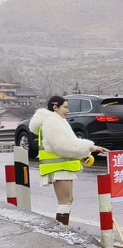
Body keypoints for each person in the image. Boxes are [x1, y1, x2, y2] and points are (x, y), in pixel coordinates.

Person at [28, 96, 109, 225]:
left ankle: (63, 227)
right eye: (65, 107)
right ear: (55, 107)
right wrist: (90, 147)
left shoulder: (55, 121)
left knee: (68, 200)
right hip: (59, 167)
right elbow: (63, 144)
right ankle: (62, 228)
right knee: (65, 201)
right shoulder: (51, 122)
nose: (68, 110)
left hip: (62, 165)